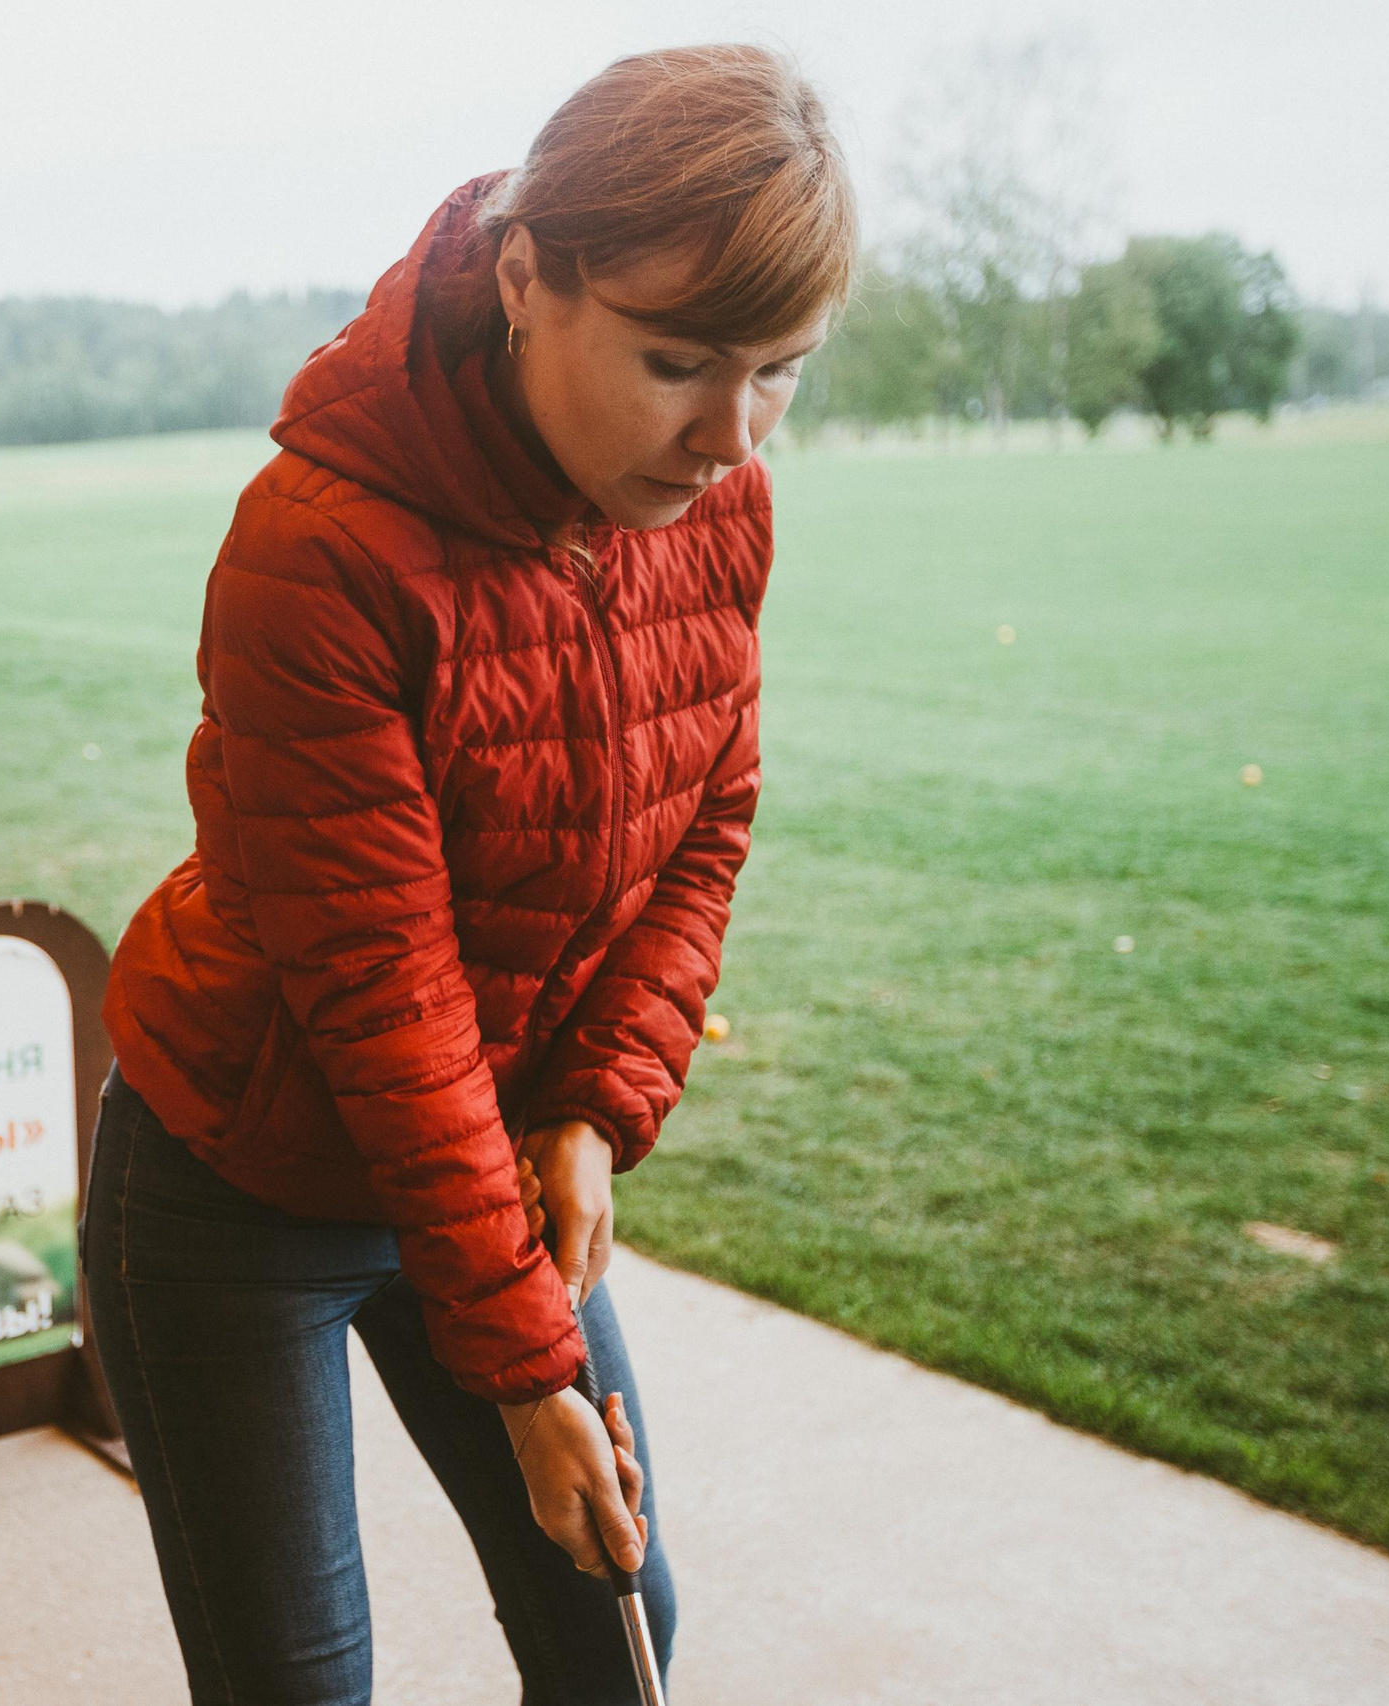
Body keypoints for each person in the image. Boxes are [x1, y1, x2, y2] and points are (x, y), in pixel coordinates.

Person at [86, 44, 858, 1703]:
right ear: (527, 277)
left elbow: (704, 820)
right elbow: (384, 989)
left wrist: (591, 1106)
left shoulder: (718, 512)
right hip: (239, 1187)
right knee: (300, 1687)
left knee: (620, 1626)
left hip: (496, 1157)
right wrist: (525, 1372)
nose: (732, 434)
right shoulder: (317, 549)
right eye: (676, 362)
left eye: (781, 372)